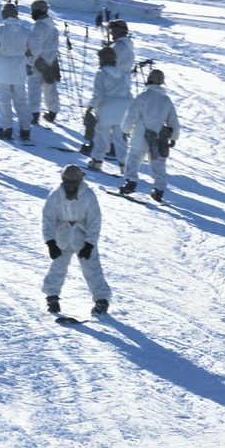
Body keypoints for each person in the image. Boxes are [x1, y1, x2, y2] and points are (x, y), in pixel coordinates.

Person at [42, 164, 112, 317]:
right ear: (63, 181)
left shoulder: (88, 195)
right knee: (58, 267)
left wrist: (89, 243)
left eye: (74, 183)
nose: (71, 186)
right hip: (63, 234)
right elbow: (48, 219)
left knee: (92, 269)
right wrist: (50, 242)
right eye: (68, 182)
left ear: (80, 181)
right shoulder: (55, 195)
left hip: (82, 235)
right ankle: (52, 297)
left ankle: (101, 300)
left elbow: (94, 220)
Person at [118, 69, 181, 203]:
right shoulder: (166, 100)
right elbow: (173, 120)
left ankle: (131, 182)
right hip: (159, 136)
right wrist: (173, 137)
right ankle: (158, 190)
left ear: (149, 81)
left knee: (134, 158)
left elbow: (131, 115)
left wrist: (126, 129)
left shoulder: (143, 96)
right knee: (158, 163)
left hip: (141, 133)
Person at [0, 2, 34, 141]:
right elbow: (36, 45)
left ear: (4, 15)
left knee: (4, 100)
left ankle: (6, 129)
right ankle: (25, 129)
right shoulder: (26, 31)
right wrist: (29, 59)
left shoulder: (0, 30)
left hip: (3, 69)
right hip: (19, 69)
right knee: (21, 100)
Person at [86, 46, 131, 172]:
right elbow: (129, 94)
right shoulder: (123, 74)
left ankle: (97, 161)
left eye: (100, 58)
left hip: (105, 109)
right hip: (121, 111)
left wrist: (90, 107)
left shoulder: (101, 73)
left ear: (104, 59)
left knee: (101, 137)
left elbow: (98, 94)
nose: (99, 61)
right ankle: (124, 165)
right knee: (120, 139)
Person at [27, 0, 61, 124]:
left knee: (34, 88)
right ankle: (53, 111)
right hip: (51, 60)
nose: (32, 14)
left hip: (39, 62)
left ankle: (33, 113)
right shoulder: (52, 25)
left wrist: (29, 63)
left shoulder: (38, 26)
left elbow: (34, 46)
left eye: (33, 11)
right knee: (50, 87)